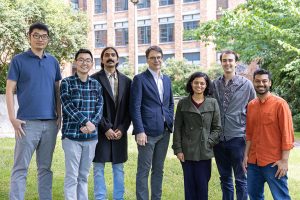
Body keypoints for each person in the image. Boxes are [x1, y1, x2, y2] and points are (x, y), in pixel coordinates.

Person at [6, 22, 61, 200]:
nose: (40, 39)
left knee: (45, 168)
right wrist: (12, 118)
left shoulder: (53, 62)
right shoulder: (18, 60)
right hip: (26, 124)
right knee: (20, 168)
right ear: (29, 37)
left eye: (43, 36)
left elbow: (57, 91)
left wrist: (59, 116)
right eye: (36, 35)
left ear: (48, 39)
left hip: (50, 124)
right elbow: (9, 90)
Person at [130, 45, 174, 200]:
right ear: (147, 60)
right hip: (147, 133)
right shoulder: (140, 79)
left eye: (159, 57)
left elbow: (169, 103)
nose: (156, 60)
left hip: (164, 131)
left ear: (162, 58)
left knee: (159, 169)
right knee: (144, 170)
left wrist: (169, 121)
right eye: (152, 58)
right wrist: (139, 130)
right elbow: (134, 107)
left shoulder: (167, 79)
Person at [243, 69, 294, 200]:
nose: (261, 84)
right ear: (253, 82)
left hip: (273, 162)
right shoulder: (251, 105)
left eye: (264, 81)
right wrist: (245, 156)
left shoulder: (280, 104)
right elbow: (249, 134)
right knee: (254, 196)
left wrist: (284, 161)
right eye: (257, 81)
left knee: (281, 197)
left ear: (270, 83)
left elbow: (287, 135)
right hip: (253, 162)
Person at [212, 50, 256, 200]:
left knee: (241, 179)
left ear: (236, 62)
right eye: (224, 60)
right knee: (225, 179)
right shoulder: (214, 84)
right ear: (221, 63)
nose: (227, 63)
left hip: (238, 137)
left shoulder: (246, 85)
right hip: (218, 139)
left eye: (230, 60)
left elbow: (253, 110)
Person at [60, 48, 103, 200]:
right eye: (81, 60)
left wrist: (92, 125)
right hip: (72, 137)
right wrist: (86, 122)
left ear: (92, 63)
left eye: (88, 60)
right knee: (72, 176)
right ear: (76, 62)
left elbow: (99, 108)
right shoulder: (66, 83)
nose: (84, 63)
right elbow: (67, 106)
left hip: (91, 138)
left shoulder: (96, 85)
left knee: (84, 176)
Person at [172, 72, 221, 200]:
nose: (199, 85)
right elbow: (177, 128)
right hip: (187, 151)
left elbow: (217, 128)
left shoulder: (213, 103)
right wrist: (178, 149)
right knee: (189, 186)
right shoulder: (183, 103)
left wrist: (209, 142)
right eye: (196, 82)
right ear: (191, 84)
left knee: (202, 185)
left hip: (204, 151)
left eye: (202, 83)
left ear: (206, 85)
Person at [91, 47, 131, 200]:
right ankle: (100, 197)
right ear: (101, 60)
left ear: (117, 59)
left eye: (113, 55)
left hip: (120, 132)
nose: (110, 57)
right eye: (106, 55)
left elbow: (129, 109)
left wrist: (122, 128)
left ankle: (118, 198)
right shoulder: (93, 79)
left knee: (118, 168)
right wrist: (105, 127)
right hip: (101, 131)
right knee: (98, 168)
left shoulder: (127, 81)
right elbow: (93, 106)